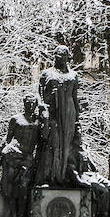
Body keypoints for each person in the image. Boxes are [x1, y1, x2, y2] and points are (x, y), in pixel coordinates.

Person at [0, 93, 49, 217]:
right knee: (10, 187)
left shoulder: (38, 121)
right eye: (27, 103)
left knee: (24, 187)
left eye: (32, 103)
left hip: (27, 158)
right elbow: (8, 138)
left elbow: (44, 137)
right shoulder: (15, 119)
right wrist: (1, 152)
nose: (30, 105)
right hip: (12, 154)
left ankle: (21, 216)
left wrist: (44, 116)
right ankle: (14, 215)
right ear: (24, 103)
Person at [35, 45, 80, 186]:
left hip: (69, 113)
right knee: (52, 144)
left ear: (67, 58)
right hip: (52, 113)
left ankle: (64, 176)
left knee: (67, 145)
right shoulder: (47, 74)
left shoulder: (73, 76)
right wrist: (43, 109)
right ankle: (49, 177)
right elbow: (39, 94)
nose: (60, 59)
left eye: (63, 57)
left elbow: (75, 98)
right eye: (58, 56)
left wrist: (77, 120)